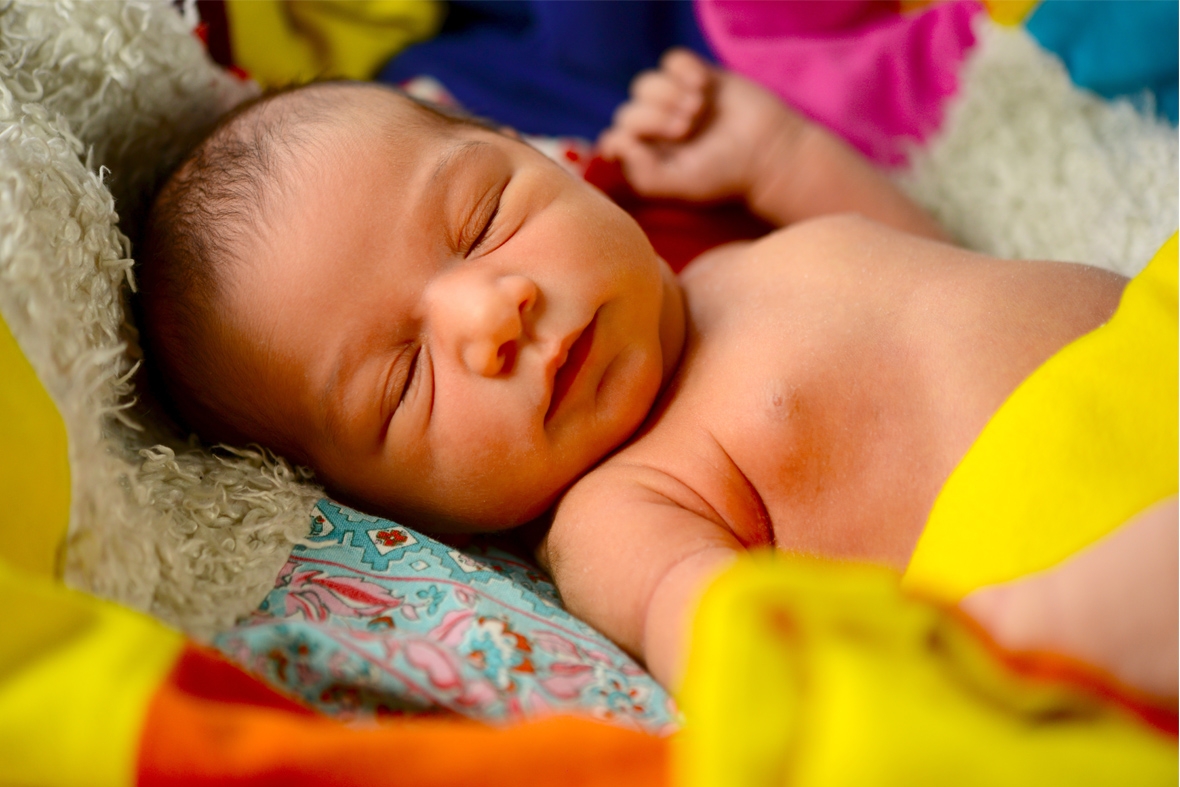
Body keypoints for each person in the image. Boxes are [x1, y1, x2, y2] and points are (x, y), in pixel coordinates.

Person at [138, 50, 1176, 700]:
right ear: (403, 507)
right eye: (404, 382)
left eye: (482, 219)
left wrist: (776, 153)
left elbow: (940, 262)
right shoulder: (617, 513)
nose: (490, 313)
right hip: (1079, 551)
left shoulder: (733, 262)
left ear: (554, 160)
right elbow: (740, 642)